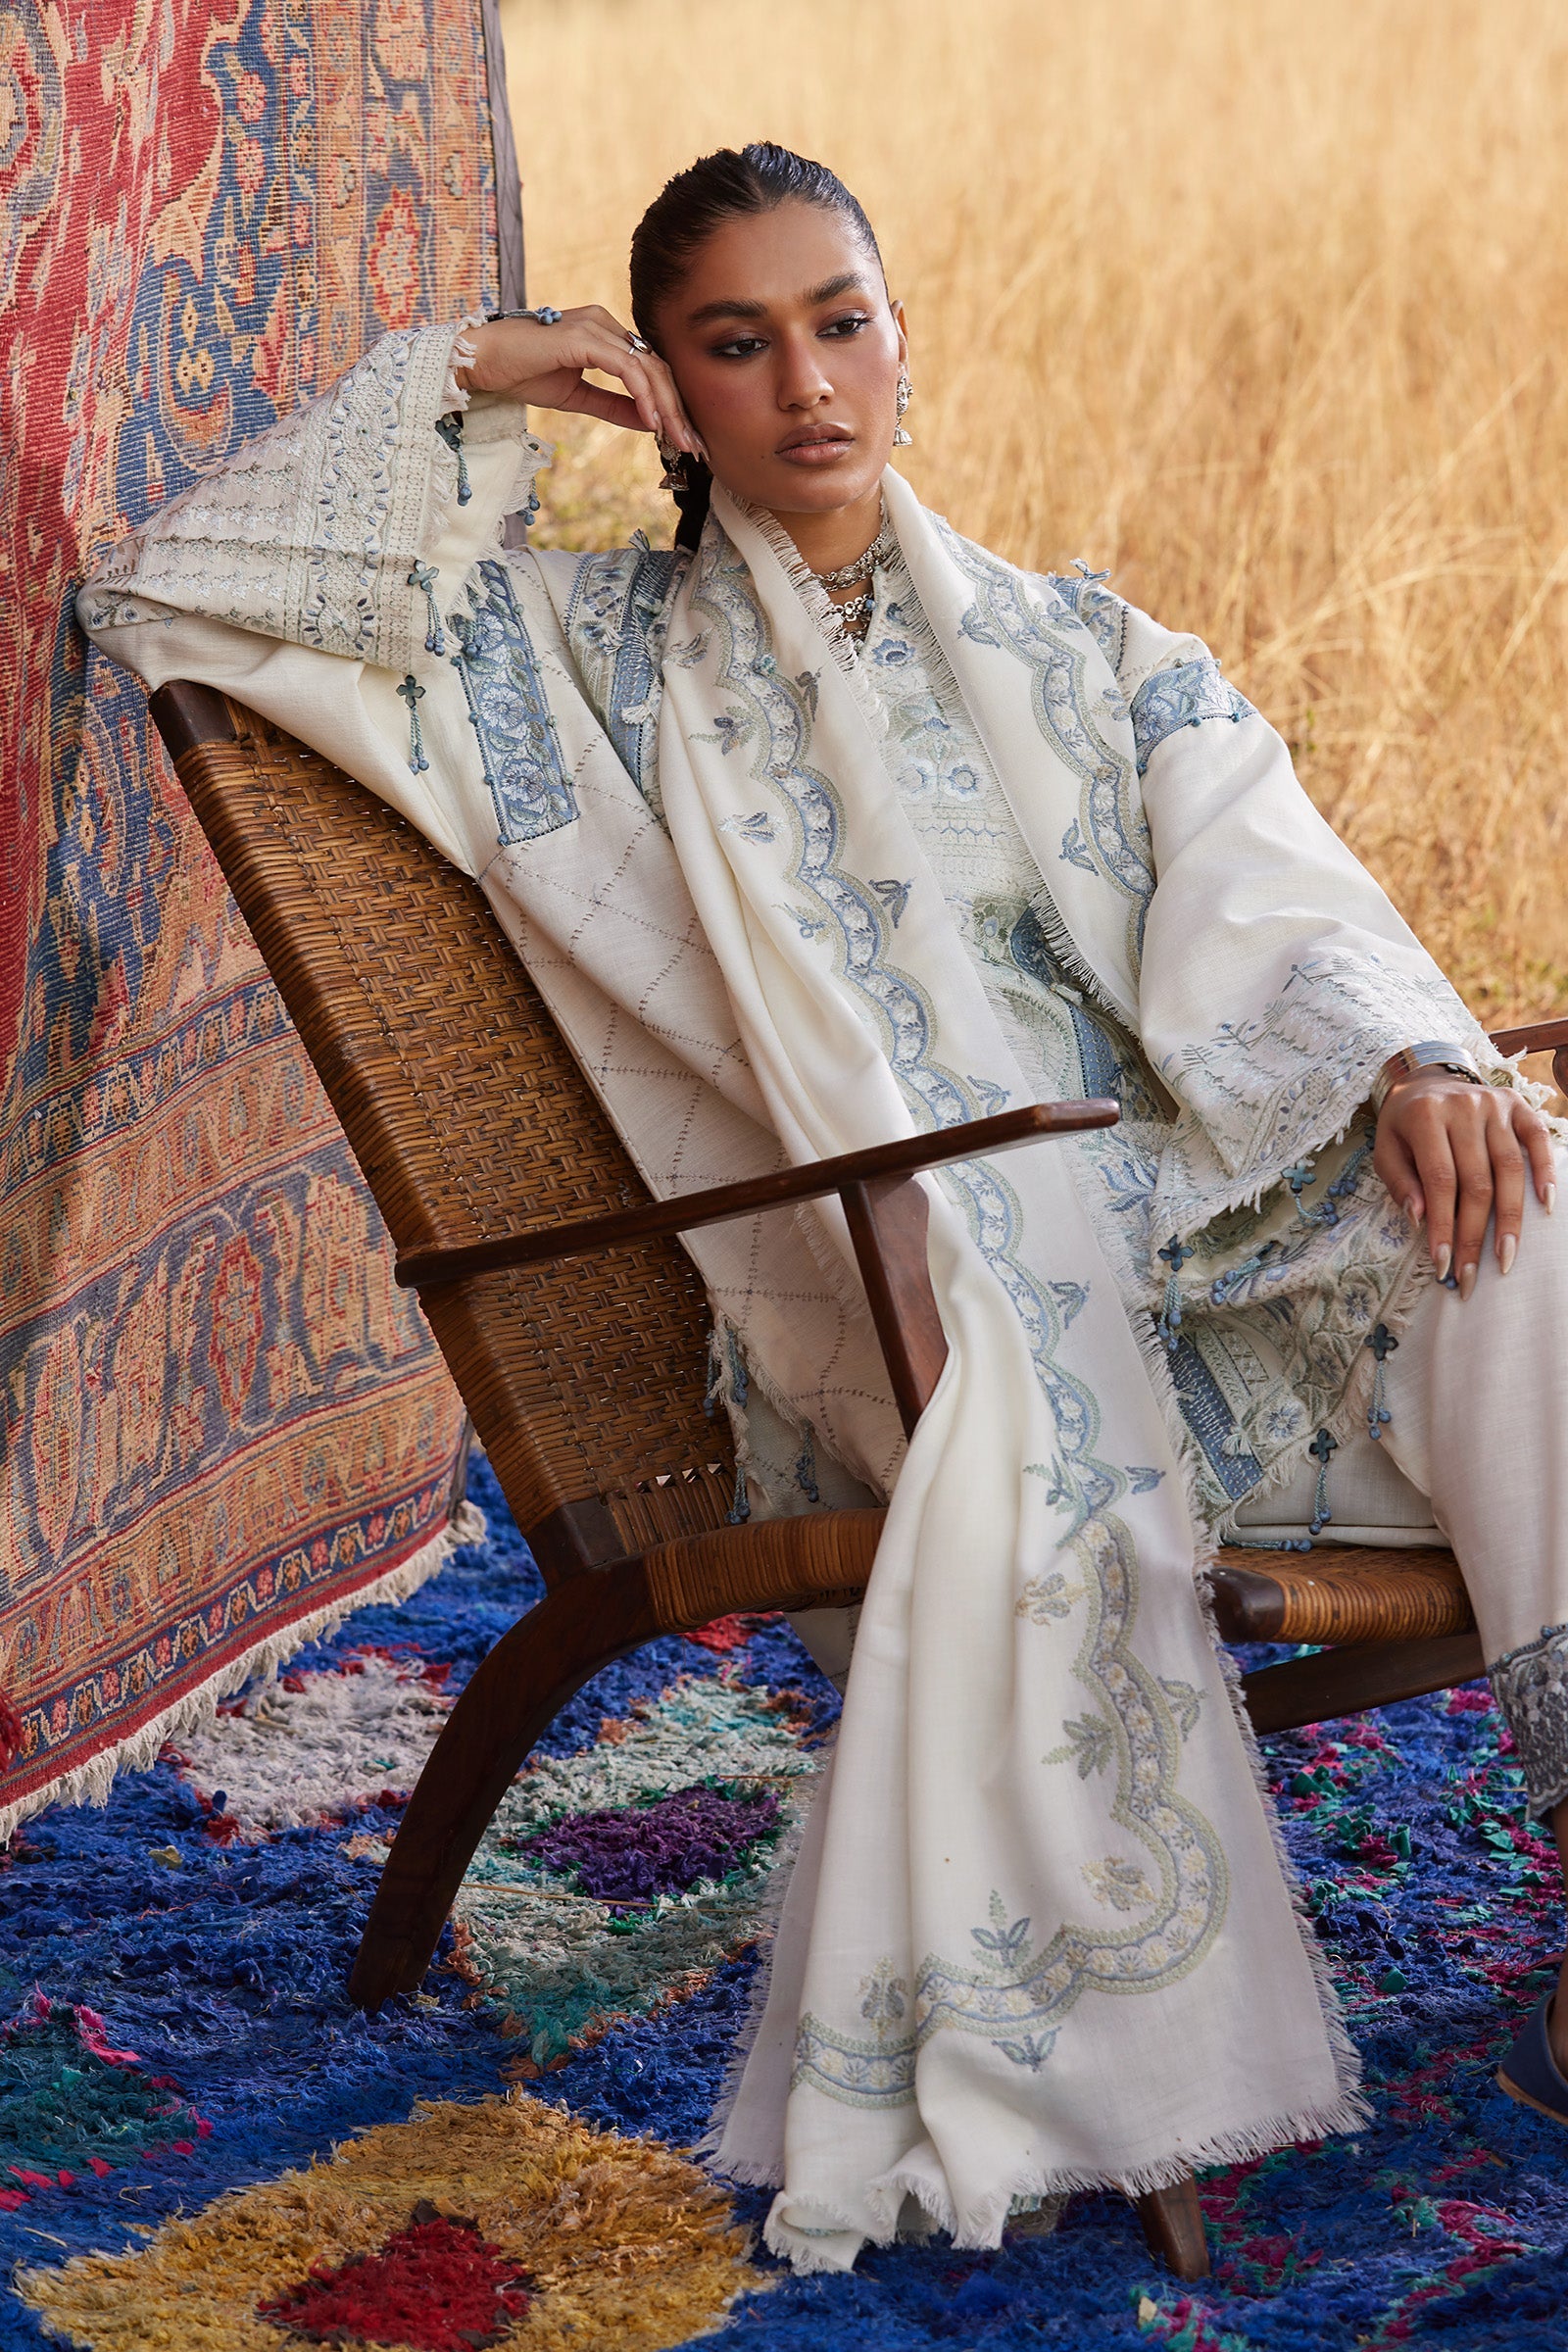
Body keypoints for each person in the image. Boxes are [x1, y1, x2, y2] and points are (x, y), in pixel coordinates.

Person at [79, 143, 1568, 2269]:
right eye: (733, 342)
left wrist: (1412, 1057)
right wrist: (503, 364)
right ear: (669, 392)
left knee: (1529, 1199)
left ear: (902, 338)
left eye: (839, 321)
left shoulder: (1083, 646)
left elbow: (1278, 892)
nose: (805, 382)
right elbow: (173, 586)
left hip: (1214, 1248)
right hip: (908, 1298)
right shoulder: (573, 669)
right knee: (1408, 1273)